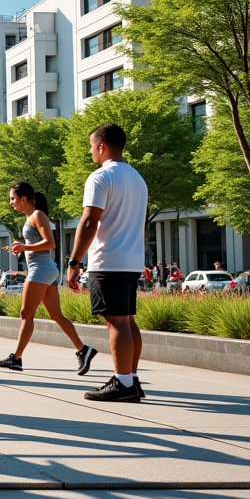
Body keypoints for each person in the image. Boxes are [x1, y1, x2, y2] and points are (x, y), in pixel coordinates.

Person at [67, 123, 149, 403]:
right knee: (126, 321)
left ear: (101, 146)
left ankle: (123, 383)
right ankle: (132, 379)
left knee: (116, 324)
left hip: (109, 260)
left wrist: (75, 260)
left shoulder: (101, 177)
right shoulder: (137, 178)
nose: (91, 151)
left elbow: (90, 221)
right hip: (132, 259)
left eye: (91, 146)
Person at [0, 182, 97, 374]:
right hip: (45, 270)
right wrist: (20, 247)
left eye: (13, 199)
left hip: (41, 269)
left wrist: (24, 247)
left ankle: (16, 359)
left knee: (26, 313)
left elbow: (50, 243)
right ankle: (84, 350)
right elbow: (38, 244)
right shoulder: (31, 217)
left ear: (24, 198)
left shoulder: (37, 215)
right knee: (56, 315)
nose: (11, 202)